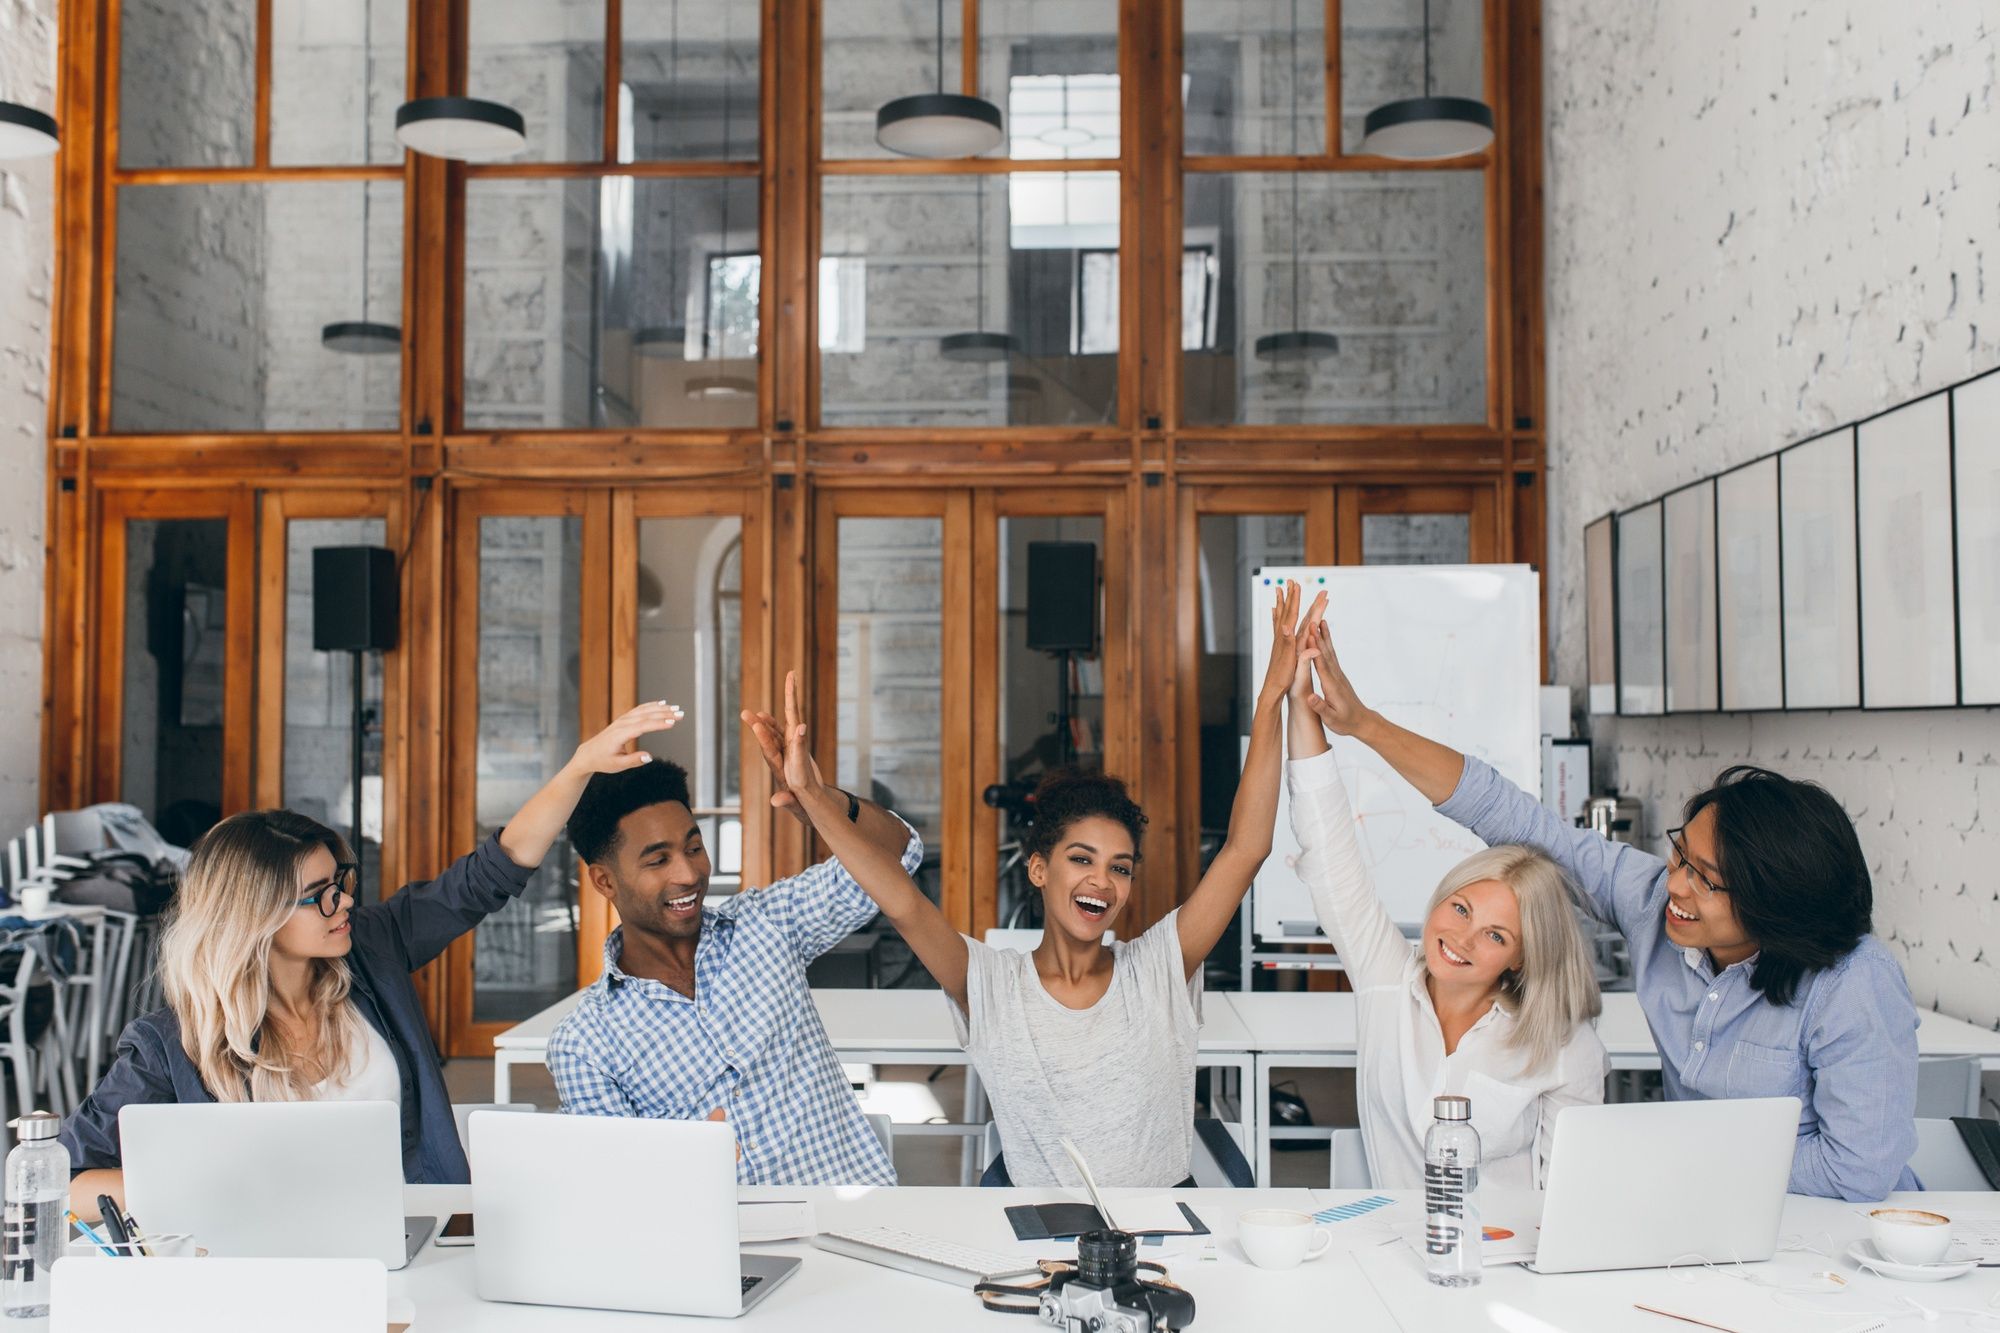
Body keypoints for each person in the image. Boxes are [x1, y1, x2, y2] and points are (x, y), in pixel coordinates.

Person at [1298, 619, 1919, 1202]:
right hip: (1711, 1218)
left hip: (1838, 1238)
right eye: (1681, 855)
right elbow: (1512, 817)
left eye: (1707, 881)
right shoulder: (1658, 903)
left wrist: (1676, 1151)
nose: (1675, 884)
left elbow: (1855, 1173)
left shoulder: (1852, 983)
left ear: (1774, 906)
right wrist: (1365, 725)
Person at [774, 582, 1322, 1188]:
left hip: (1162, 1230)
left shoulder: (1159, 969)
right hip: (1040, 1240)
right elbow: (900, 902)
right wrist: (814, 800)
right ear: (1038, 868)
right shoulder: (991, 985)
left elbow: (1247, 849)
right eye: (1082, 859)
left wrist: (1273, 696)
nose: (1102, 881)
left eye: (1120, 867)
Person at [60, 702, 686, 1219]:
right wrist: (191, 1185)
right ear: (253, 916)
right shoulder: (171, 1044)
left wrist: (579, 768)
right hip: (267, 1266)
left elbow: (487, 876)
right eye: (319, 895)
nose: (344, 903)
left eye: (344, 880)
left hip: (416, 1238)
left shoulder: (371, 949)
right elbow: (68, 1178)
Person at [545, 699, 923, 1187]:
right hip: (715, 1251)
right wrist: (680, 1167)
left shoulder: (769, 924)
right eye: (658, 861)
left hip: (855, 1226)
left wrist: (819, 799)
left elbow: (898, 854)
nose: (689, 874)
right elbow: (616, 1190)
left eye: (694, 848)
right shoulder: (585, 1043)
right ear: (604, 882)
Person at [1284, 640, 1606, 1191]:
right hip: (1395, 1253)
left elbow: (1572, 1196)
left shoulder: (1564, 1044)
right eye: (1460, 908)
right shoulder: (1387, 980)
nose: (1461, 938)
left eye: (1496, 935)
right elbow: (1329, 845)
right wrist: (1300, 699)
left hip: (1508, 1263)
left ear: (1523, 957)